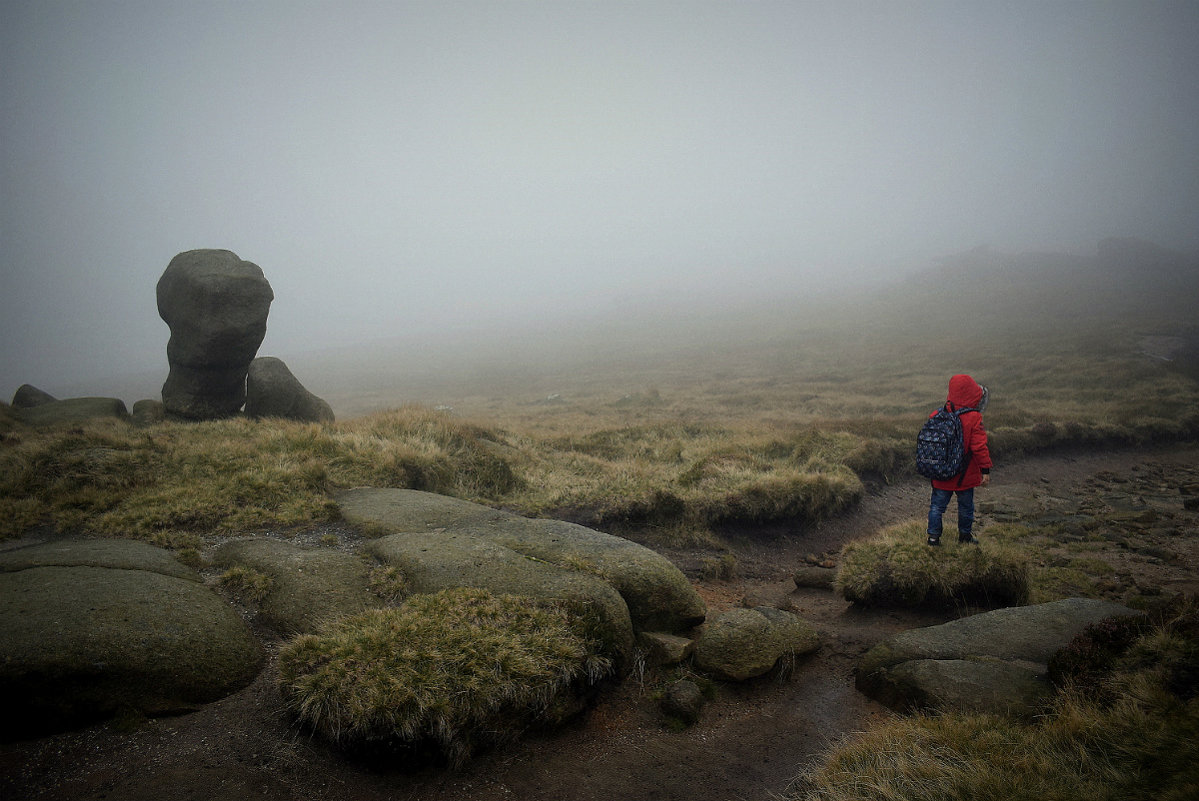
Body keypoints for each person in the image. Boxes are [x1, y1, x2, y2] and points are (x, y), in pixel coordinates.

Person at [926, 374, 992, 546]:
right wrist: (985, 470)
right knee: (966, 507)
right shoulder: (974, 418)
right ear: (973, 395)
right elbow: (979, 447)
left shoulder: (937, 415)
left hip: (941, 474)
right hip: (965, 475)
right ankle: (965, 537)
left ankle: (933, 538)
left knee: (937, 507)